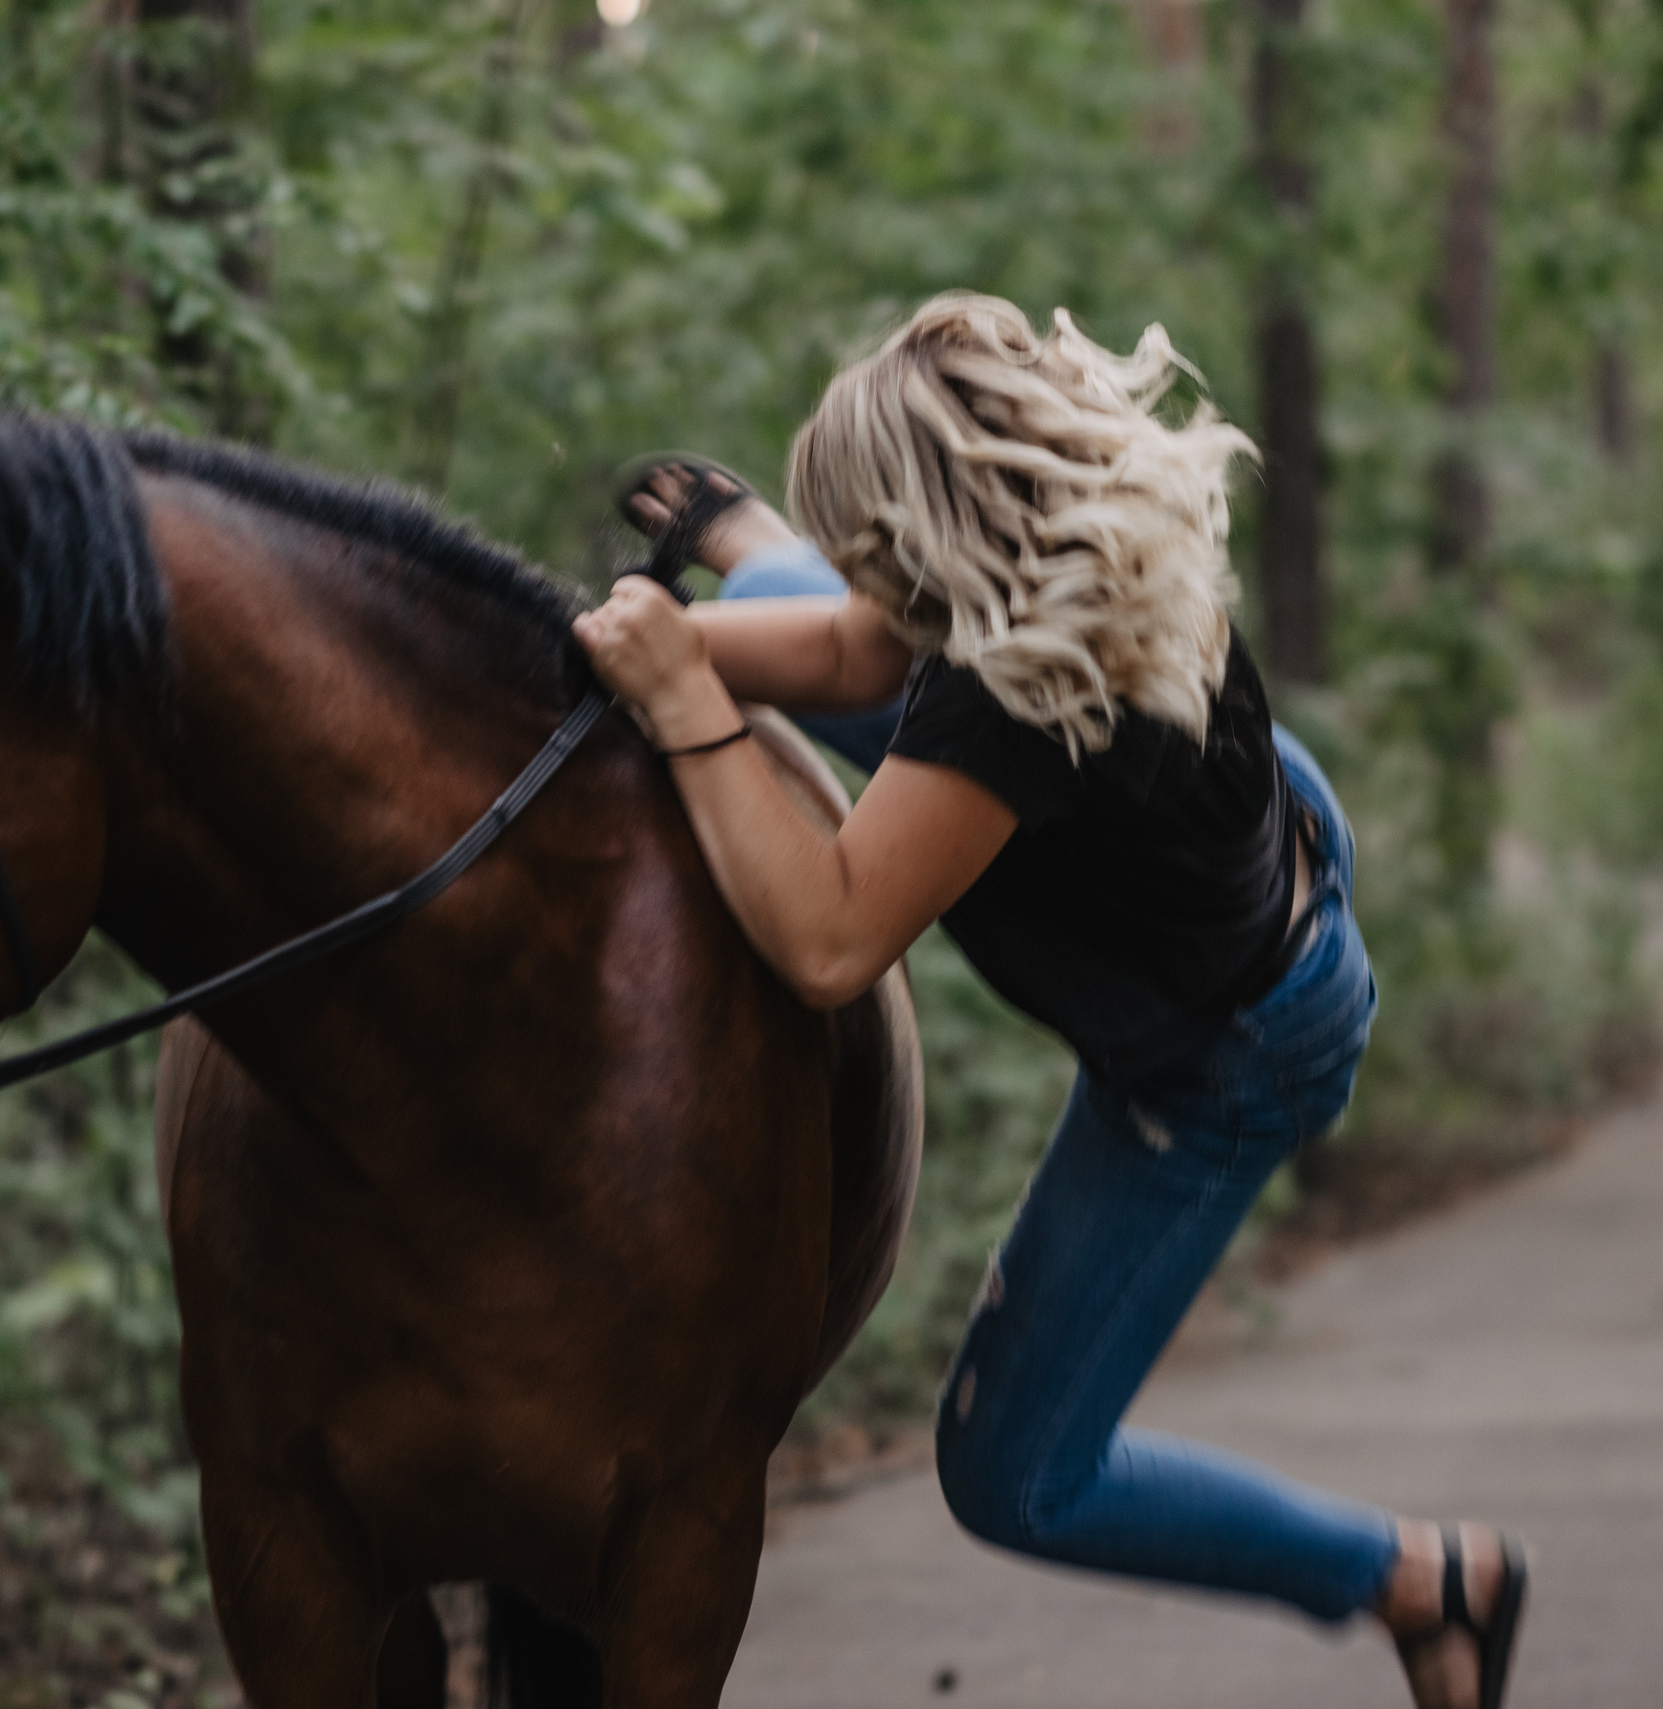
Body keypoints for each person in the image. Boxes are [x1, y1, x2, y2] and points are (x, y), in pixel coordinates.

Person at [574, 294, 1526, 1709]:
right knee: (824, 644)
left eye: (871, 551)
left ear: (936, 545)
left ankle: (1420, 1577)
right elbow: (854, 656)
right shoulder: (1079, 549)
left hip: (1233, 1048)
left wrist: (690, 704)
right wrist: (633, 644)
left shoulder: (1015, 700)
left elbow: (833, 938)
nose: (870, 590)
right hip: (1252, 839)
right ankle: (763, 555)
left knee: (1014, 1471)